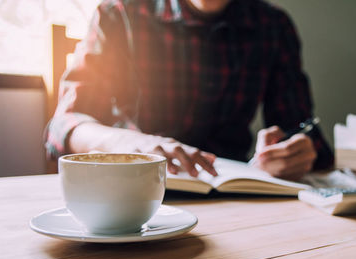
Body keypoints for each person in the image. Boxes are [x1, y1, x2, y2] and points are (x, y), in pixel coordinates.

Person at [45, 0, 334, 180]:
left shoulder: (273, 26)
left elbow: (303, 131)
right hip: (132, 191)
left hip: (236, 196)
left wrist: (297, 151)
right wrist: (124, 143)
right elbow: (64, 125)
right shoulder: (120, 13)